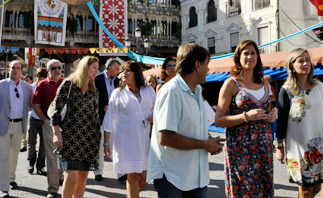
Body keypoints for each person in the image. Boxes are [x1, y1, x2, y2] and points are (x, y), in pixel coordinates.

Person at [147, 43, 224, 198]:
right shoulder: (171, 92)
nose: (208, 70)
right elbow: (165, 137)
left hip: (196, 177)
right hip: (173, 177)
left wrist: (208, 140)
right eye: (207, 64)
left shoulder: (196, 91)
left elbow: (192, 126)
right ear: (197, 65)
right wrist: (204, 144)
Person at [214, 40, 277, 198]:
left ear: (258, 57)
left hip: (264, 148)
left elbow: (269, 109)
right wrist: (246, 116)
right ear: (238, 58)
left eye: (253, 53)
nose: (250, 56)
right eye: (246, 53)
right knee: (245, 191)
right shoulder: (231, 84)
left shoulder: (264, 83)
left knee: (264, 190)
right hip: (241, 151)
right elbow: (219, 120)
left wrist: (273, 114)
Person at [276, 48, 323, 198]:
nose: (305, 63)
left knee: (317, 188)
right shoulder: (286, 90)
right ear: (292, 66)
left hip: (317, 146)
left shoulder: (319, 87)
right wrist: (279, 146)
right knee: (306, 189)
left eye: (307, 59)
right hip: (298, 147)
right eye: (300, 60)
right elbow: (281, 121)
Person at [103, 61, 156, 198]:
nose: (123, 73)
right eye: (123, 70)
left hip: (144, 141)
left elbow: (158, 111)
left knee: (146, 177)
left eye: (128, 70)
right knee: (132, 176)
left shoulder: (149, 91)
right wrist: (106, 143)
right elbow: (109, 119)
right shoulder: (118, 93)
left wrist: (154, 117)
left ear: (136, 73)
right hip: (126, 142)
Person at [51, 56, 101, 198]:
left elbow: (95, 116)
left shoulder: (94, 90)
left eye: (97, 68)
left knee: (83, 177)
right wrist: (56, 133)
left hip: (88, 140)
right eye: (94, 68)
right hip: (69, 137)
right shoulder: (68, 85)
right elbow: (56, 110)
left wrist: (100, 140)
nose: (96, 71)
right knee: (71, 177)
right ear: (85, 67)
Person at [0, 61, 33, 198]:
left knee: (14, 155)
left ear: (21, 71)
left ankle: (11, 179)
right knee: (2, 156)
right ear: (9, 70)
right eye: (13, 68)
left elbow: (29, 105)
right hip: (2, 125)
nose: (15, 70)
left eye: (18, 68)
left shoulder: (27, 88)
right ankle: (3, 188)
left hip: (19, 125)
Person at [33, 59, 64, 198]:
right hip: (49, 124)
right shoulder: (42, 84)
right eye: (53, 68)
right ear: (48, 70)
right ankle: (53, 189)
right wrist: (45, 120)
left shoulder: (66, 83)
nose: (57, 70)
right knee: (52, 156)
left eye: (59, 68)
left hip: (65, 124)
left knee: (63, 154)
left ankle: (59, 177)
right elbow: (36, 105)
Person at [93, 58, 121, 181]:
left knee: (116, 143)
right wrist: (102, 106)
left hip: (115, 117)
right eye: (117, 69)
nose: (118, 72)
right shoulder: (97, 79)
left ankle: (121, 172)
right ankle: (98, 171)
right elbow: (93, 97)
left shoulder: (118, 81)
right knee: (99, 144)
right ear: (110, 68)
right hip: (100, 116)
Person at [27, 68, 48, 176]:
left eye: (43, 78)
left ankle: (40, 166)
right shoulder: (31, 87)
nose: (41, 80)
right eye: (39, 77)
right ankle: (31, 162)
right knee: (31, 143)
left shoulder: (47, 86)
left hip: (44, 119)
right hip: (33, 118)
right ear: (36, 77)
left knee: (43, 145)